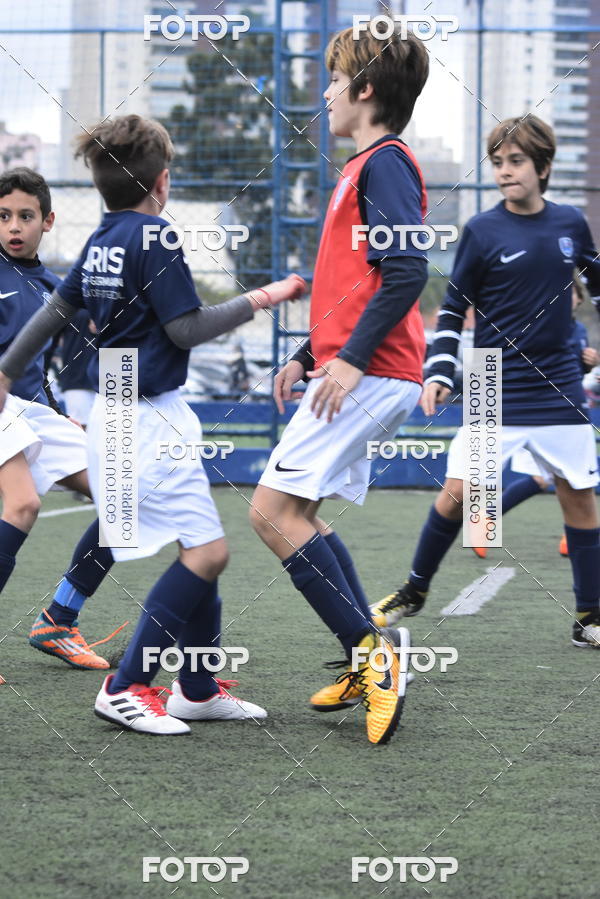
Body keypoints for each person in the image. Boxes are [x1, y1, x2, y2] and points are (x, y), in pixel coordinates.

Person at [0, 115, 305, 732]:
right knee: (207, 551)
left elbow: (56, 312)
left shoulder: (104, 237)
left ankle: (194, 686)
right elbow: (186, 328)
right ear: (161, 181)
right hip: (145, 416)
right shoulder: (157, 237)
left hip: (130, 411)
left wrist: (5, 372)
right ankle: (126, 686)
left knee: (200, 546)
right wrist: (266, 297)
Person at [249, 22, 430, 744]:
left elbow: (408, 272)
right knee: (300, 512)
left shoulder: (386, 162)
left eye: (334, 81)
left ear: (364, 91)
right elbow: (349, 287)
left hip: (373, 371)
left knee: (269, 513)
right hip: (359, 367)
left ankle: (373, 656)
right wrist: (305, 350)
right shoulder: (361, 167)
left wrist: (350, 359)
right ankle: (370, 654)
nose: (323, 93)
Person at [370, 115, 600, 650]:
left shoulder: (571, 223)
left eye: (515, 161)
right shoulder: (481, 230)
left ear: (543, 166)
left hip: (560, 387)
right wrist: (439, 371)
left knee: (580, 498)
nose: (504, 171)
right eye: (497, 162)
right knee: (456, 496)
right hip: (494, 385)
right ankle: (415, 589)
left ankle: (589, 615)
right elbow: (452, 310)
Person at [0, 167, 118, 671]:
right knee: (22, 504)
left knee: (125, 501)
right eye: (3, 216)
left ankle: (59, 618)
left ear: (48, 221)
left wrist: (62, 415)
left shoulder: (54, 286)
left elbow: (41, 366)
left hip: (35, 412)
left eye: (26, 216)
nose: (14, 226)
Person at [471, 275, 599, 559]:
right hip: (534, 410)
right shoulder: (533, 323)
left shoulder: (577, 330)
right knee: (549, 479)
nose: (569, 298)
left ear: (579, 300)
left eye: (573, 294)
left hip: (563, 411)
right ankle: (484, 519)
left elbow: (572, 373)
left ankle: (572, 537)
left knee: (564, 479)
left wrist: (590, 362)